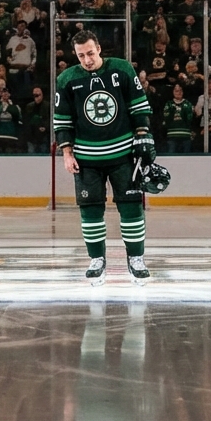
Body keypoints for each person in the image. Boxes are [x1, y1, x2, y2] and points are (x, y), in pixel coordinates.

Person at [53, 30, 155, 286]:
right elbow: (62, 119)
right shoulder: (66, 79)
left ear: (98, 48)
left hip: (124, 153)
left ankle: (136, 259)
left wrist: (143, 134)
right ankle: (96, 259)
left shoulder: (121, 69)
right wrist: (66, 153)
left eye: (90, 53)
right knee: (90, 210)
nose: (86, 60)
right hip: (86, 157)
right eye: (80, 55)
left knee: (131, 207)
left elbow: (138, 104)